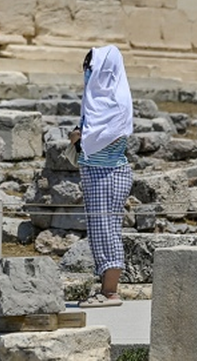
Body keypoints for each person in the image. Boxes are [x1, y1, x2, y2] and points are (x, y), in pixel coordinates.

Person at [68, 45, 133, 308]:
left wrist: (81, 137)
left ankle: (110, 293)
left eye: (90, 68)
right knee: (99, 231)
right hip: (95, 172)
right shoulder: (96, 99)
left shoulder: (116, 101)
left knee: (106, 230)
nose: (86, 73)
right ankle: (105, 290)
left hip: (108, 173)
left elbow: (110, 135)